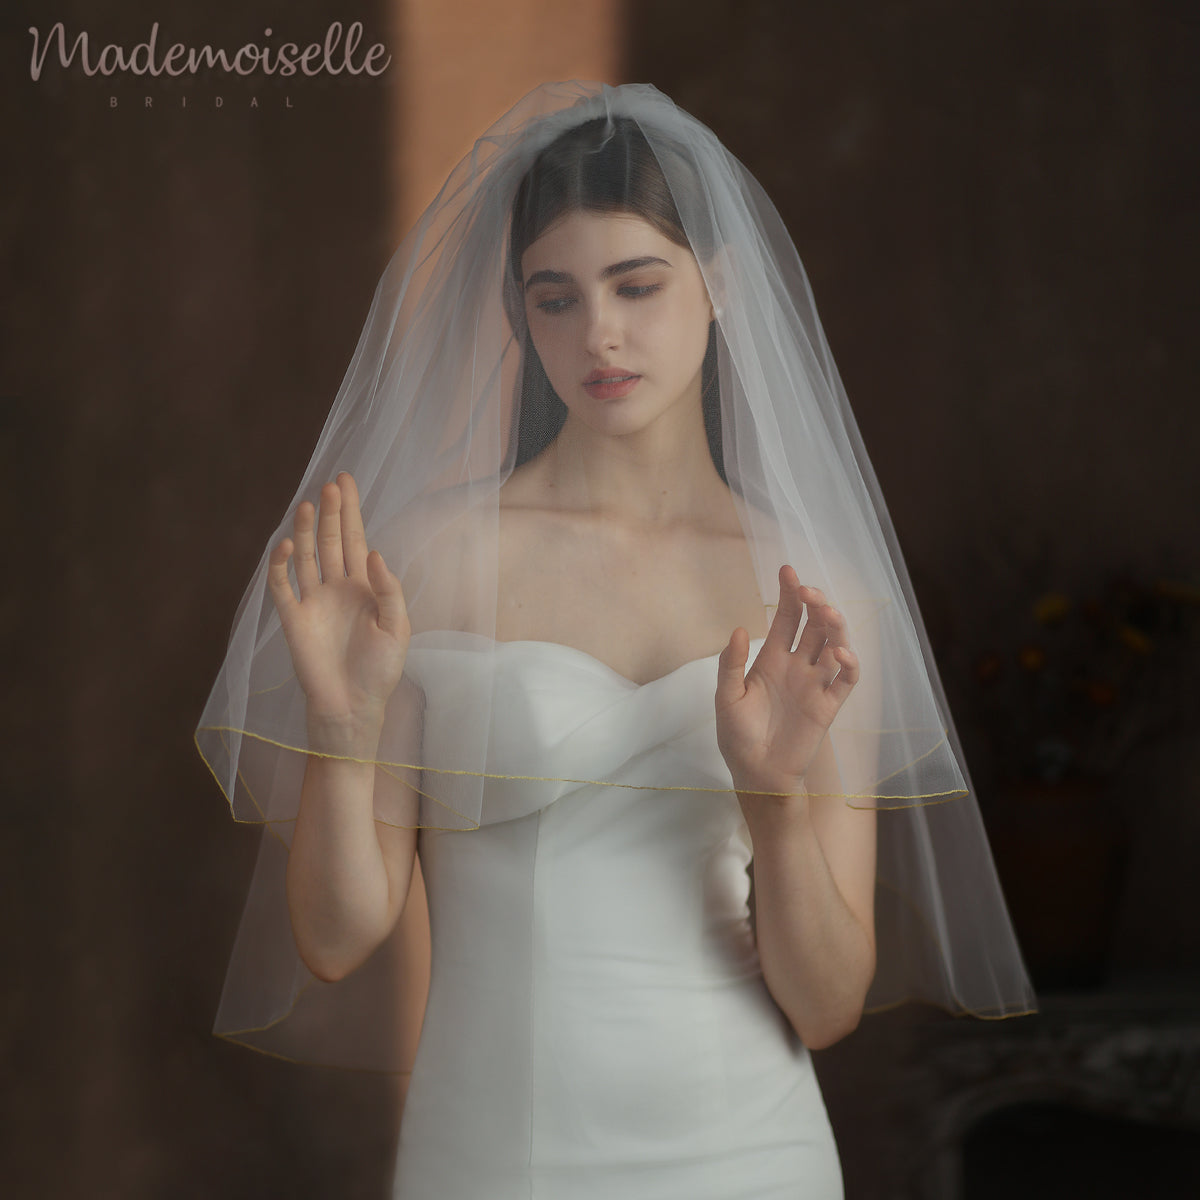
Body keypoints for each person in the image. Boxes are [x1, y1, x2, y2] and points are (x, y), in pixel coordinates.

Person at [197, 82, 1033, 1198]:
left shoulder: (816, 586)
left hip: (752, 1151)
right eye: (555, 298)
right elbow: (337, 939)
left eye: (637, 285)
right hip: (499, 1150)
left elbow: (828, 1005)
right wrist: (343, 730)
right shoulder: (434, 558)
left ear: (720, 284)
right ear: (519, 314)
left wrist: (775, 800)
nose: (599, 333)